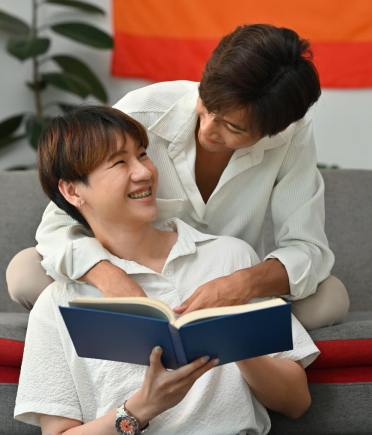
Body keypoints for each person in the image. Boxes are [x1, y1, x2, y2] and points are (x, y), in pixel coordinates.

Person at [6, 24, 349, 330]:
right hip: (135, 282)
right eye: (208, 105)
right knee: (25, 273)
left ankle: (216, 331)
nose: (208, 130)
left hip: (228, 283)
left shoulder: (291, 136)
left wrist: (243, 284)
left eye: (232, 127)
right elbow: (56, 227)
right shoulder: (141, 112)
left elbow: (307, 248)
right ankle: (144, 326)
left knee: (330, 298)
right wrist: (110, 279)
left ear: (276, 130)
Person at [14, 106, 319, 435]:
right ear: (73, 191)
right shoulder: (58, 304)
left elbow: (296, 402)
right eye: (119, 162)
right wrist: (143, 406)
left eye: (143, 155)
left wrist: (234, 341)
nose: (143, 172)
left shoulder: (231, 261)